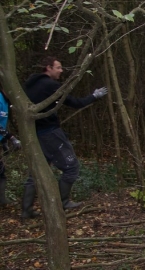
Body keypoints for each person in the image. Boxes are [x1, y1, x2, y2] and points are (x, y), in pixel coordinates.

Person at [22, 56, 109, 218]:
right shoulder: (50, 85)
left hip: (35, 134)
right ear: (48, 68)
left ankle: (26, 210)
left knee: (36, 172)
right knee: (71, 167)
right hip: (50, 133)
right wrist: (94, 97)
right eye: (58, 67)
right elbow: (74, 102)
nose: (61, 71)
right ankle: (63, 202)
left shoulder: (30, 85)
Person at [0, 89, 21, 206]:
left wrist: (3, 142)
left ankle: (2, 200)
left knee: (1, 171)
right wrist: (10, 137)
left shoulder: (6, 102)